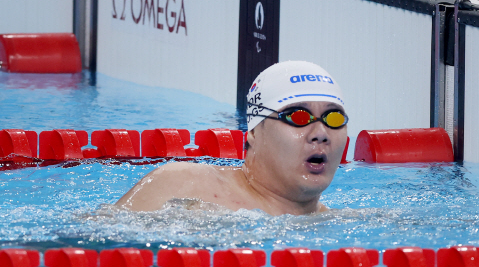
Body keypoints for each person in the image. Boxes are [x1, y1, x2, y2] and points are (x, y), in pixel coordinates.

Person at [115, 61, 348, 215]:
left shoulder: (340, 225)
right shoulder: (183, 184)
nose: (320, 133)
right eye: (298, 117)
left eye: (334, 118)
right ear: (255, 132)